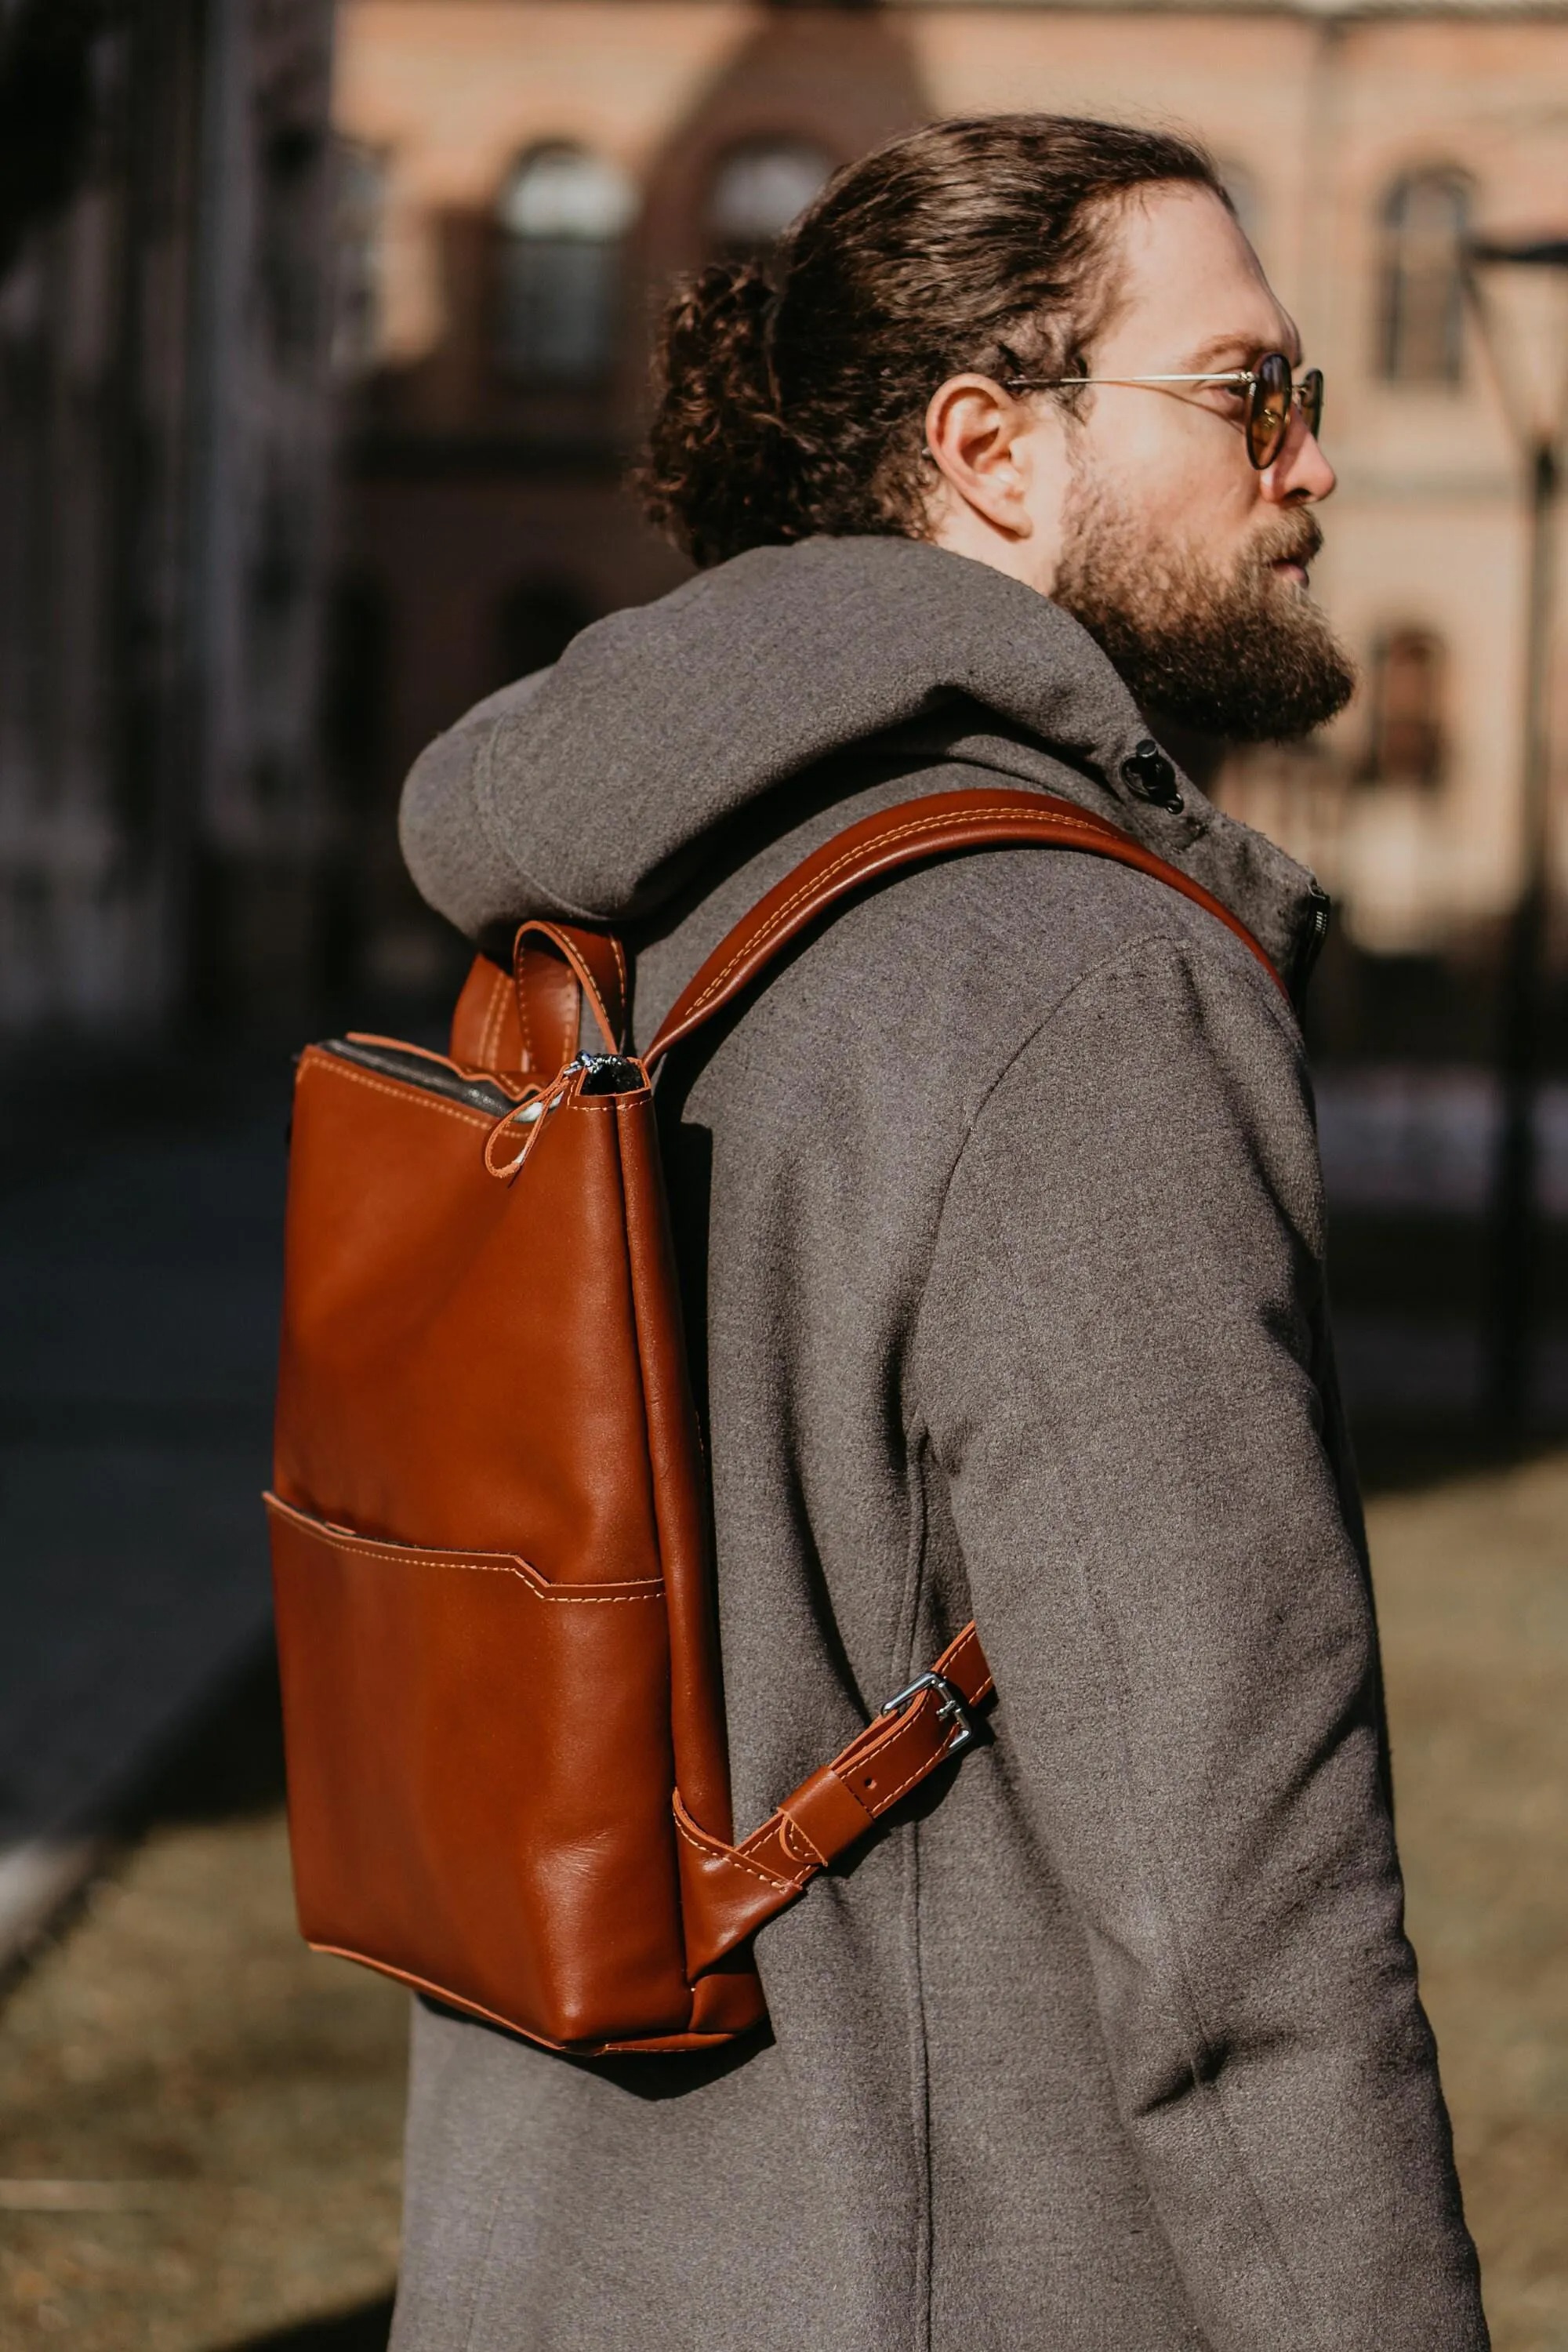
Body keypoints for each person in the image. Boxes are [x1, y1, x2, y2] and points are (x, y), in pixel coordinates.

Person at [393, 114, 1487, 2352]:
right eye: (1249, 393)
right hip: (933, 2265)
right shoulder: (1076, 975)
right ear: (992, 446)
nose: (1314, 469)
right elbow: (1236, 1905)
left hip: (558, 2247)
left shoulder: (622, 892)